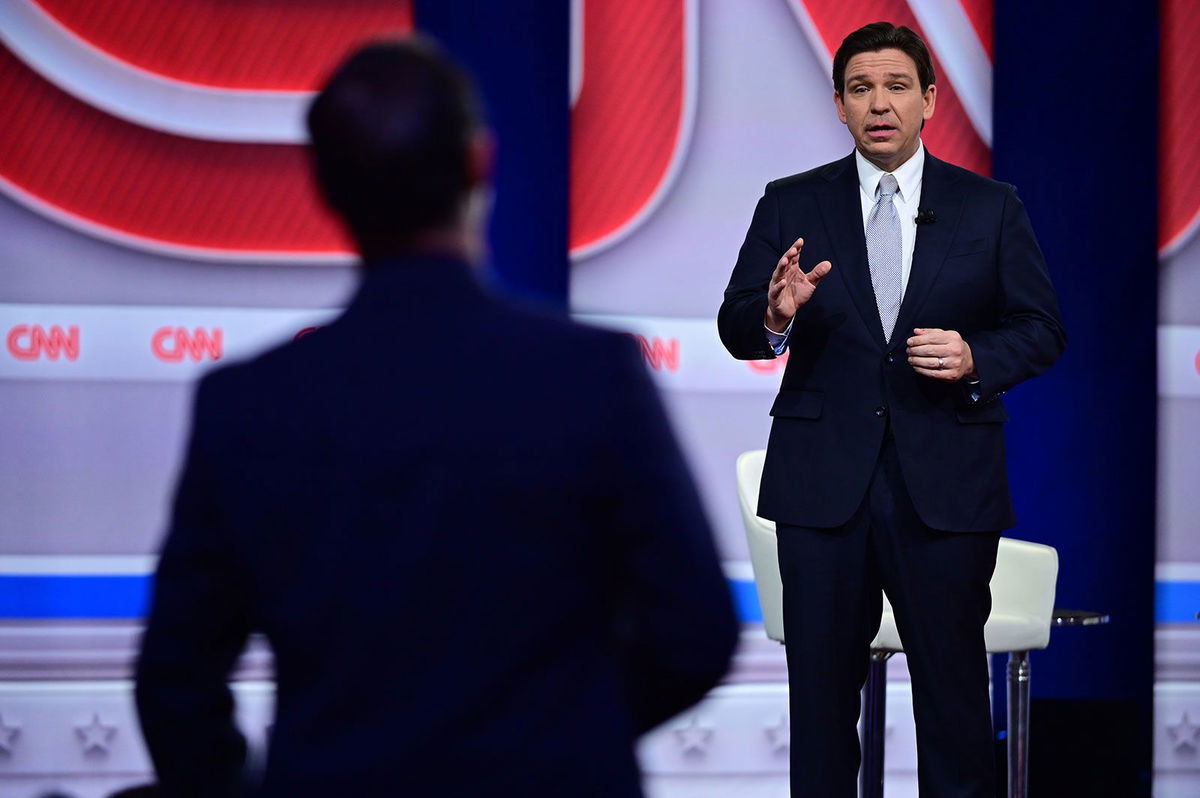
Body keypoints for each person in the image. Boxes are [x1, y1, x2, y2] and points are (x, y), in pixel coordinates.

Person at [136, 37, 738, 798]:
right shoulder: (590, 376)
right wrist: (568, 736)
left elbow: (175, 681)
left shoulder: (249, 404)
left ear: (325, 190)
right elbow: (696, 634)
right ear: (479, 164)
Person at [718, 21, 1065, 798]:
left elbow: (1041, 330)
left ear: (930, 101)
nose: (880, 104)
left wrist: (978, 357)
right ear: (838, 105)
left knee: (953, 707)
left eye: (897, 87)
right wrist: (775, 315)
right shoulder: (792, 202)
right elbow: (736, 319)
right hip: (822, 488)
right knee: (819, 709)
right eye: (862, 89)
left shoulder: (989, 207)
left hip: (944, 484)